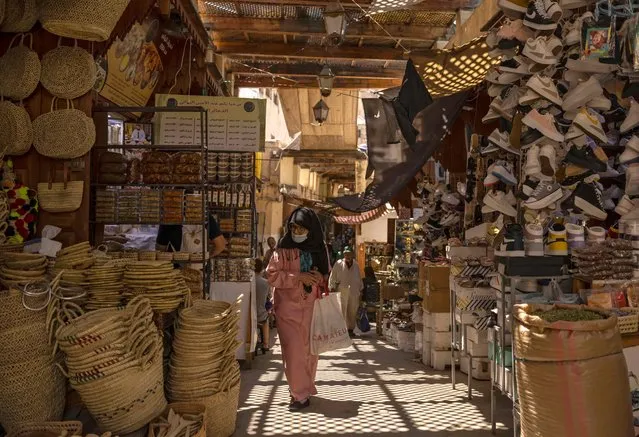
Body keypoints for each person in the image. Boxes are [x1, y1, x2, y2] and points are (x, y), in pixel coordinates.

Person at [266, 207, 329, 412]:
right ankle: (299, 395)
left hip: (311, 306)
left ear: (311, 230)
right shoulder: (283, 248)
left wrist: (318, 278)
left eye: (302, 229)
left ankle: (303, 387)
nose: (297, 233)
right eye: (294, 228)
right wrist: (297, 278)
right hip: (287, 308)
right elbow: (272, 276)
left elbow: (325, 276)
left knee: (310, 351)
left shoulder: (320, 248)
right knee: (293, 351)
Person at [328, 246, 363, 338]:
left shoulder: (356, 264)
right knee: (342, 310)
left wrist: (361, 289)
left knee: (352, 310)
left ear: (352, 254)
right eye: (346, 254)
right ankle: (342, 330)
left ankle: (350, 329)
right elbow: (333, 276)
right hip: (342, 290)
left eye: (349, 254)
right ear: (343, 254)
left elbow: (359, 278)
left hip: (354, 290)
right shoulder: (338, 264)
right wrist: (332, 287)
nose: (347, 256)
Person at [156, 213, 226, 256]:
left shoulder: (169, 216)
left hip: (176, 270)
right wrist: (208, 256)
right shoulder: (206, 216)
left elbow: (160, 248)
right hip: (200, 268)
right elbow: (221, 245)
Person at [254, 258, 271, 352]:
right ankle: (266, 344)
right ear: (261, 269)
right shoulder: (266, 283)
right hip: (261, 314)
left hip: (250, 314)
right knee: (265, 321)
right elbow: (269, 298)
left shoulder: (249, 282)